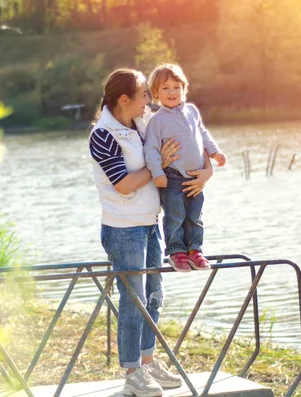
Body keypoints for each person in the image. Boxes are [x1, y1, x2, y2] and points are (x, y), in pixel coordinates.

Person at [89, 68, 213, 397]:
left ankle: (148, 361)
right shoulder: (103, 135)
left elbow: (192, 138)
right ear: (124, 99)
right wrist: (158, 166)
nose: (151, 99)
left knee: (155, 297)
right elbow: (125, 185)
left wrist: (206, 171)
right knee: (134, 302)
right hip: (123, 228)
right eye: (146, 93)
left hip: (150, 224)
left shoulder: (143, 121)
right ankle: (132, 372)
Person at [144, 63, 226, 273]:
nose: (172, 92)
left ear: (184, 88)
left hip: (195, 176)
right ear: (155, 93)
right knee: (175, 214)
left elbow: (203, 134)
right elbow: (151, 150)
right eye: (165, 88)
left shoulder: (191, 111)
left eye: (176, 87)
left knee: (194, 214)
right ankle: (176, 251)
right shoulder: (157, 121)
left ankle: (194, 250)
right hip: (172, 177)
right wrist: (157, 173)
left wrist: (215, 152)